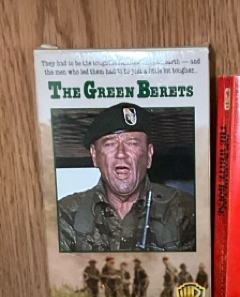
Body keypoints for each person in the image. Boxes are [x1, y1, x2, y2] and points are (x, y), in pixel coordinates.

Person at [57, 102, 195, 252]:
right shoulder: (66, 214)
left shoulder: (185, 210)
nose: (121, 153)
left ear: (149, 155)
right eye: (110, 144)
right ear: (94, 155)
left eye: (132, 143)